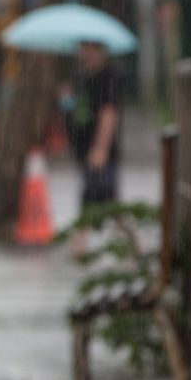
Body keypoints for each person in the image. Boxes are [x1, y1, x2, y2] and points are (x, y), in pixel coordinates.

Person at [65, 40, 123, 255]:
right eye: (83, 49)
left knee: (100, 197)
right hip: (84, 148)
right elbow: (76, 109)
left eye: (90, 49)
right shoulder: (81, 77)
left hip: (99, 152)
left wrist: (100, 148)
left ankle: (80, 243)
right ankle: (81, 242)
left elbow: (109, 113)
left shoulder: (108, 78)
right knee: (100, 197)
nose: (86, 54)